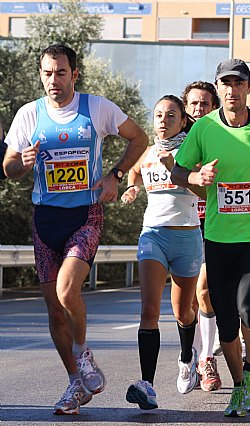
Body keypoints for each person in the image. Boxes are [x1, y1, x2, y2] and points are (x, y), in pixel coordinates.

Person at [2, 44, 147, 414]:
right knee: (54, 310)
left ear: (74, 74)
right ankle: (74, 384)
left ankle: (83, 355)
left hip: (85, 214)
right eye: (48, 73)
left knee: (67, 291)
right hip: (45, 219)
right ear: (41, 74)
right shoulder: (29, 114)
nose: (54, 80)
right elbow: (9, 168)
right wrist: (22, 162)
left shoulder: (96, 108)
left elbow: (139, 137)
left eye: (61, 73)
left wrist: (114, 175)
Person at [171, 58, 250, 417]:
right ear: (219, 88)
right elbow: (180, 171)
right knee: (225, 320)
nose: (231, 90)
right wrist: (197, 180)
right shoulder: (204, 129)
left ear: (248, 88)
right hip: (219, 236)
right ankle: (240, 387)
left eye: (238, 83)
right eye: (225, 84)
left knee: (248, 309)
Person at [120, 95, 205, 409]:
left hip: (186, 239)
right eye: (158, 114)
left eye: (171, 115)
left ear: (183, 120)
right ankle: (148, 386)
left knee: (184, 312)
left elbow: (205, 191)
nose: (163, 120)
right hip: (153, 235)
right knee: (148, 311)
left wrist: (177, 171)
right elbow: (136, 173)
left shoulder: (191, 151)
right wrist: (132, 188)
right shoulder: (147, 151)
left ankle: (186, 357)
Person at [181, 81, 223, 392]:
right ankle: (191, 355)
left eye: (205, 104)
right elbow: (145, 166)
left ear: (214, 107)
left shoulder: (220, 138)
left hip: (213, 224)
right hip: (180, 226)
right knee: (186, 302)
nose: (199, 109)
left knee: (204, 289)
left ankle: (207, 358)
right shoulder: (173, 141)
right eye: (193, 104)